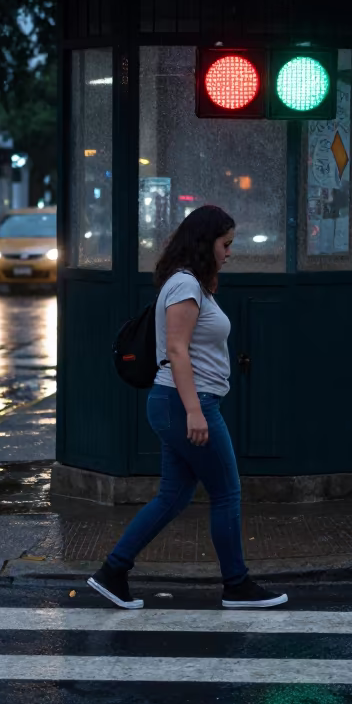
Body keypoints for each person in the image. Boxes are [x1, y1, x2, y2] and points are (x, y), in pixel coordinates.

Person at [88, 205, 288, 611]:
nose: (229, 252)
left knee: (173, 497)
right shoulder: (184, 286)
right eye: (225, 244)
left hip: (178, 403)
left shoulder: (193, 284)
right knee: (227, 492)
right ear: (205, 243)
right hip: (184, 404)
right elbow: (177, 350)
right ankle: (236, 584)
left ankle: (113, 571)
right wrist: (195, 411)